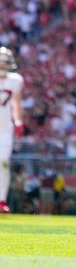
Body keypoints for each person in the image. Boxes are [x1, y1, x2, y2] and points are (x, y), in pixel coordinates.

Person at [0, 47, 23, 214]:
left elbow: (16, 102)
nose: (2, 66)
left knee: (3, 163)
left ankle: (1, 200)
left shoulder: (15, 80)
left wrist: (18, 120)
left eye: (4, 63)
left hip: (5, 128)